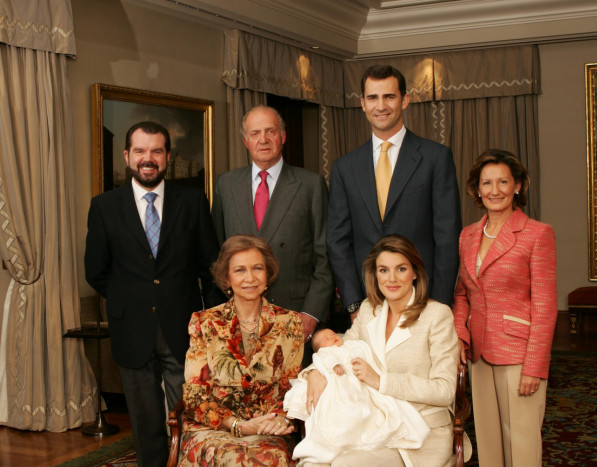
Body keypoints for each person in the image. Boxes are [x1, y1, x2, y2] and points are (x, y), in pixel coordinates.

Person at [84, 121, 221, 467]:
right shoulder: (104, 206)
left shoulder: (192, 201)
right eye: (141, 151)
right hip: (132, 331)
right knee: (145, 425)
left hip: (184, 329)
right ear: (128, 155)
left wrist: (212, 322)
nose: (149, 158)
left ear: (167, 156)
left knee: (189, 416)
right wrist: (129, 301)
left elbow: (210, 265)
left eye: (156, 151)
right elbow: (95, 271)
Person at [305, 234, 459, 467]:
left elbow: (445, 390)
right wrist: (316, 372)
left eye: (401, 269)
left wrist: (381, 381)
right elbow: (341, 349)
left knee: (344, 465)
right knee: (311, 463)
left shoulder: (437, 315)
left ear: (415, 273)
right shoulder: (369, 310)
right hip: (375, 424)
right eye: (384, 270)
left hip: (421, 432)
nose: (392, 279)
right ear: (375, 275)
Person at [327, 65, 461, 321]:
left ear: (405, 100)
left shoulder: (435, 158)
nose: (381, 106)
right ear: (363, 104)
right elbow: (337, 241)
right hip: (368, 305)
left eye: (389, 96)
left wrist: (439, 305)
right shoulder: (345, 167)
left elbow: (447, 237)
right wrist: (355, 305)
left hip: (423, 300)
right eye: (373, 98)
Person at [452, 149, 557, 467]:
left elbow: (545, 305)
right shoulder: (467, 236)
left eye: (502, 182)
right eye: (487, 183)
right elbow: (461, 295)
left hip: (519, 354)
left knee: (522, 445)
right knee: (489, 442)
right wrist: (459, 335)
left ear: (518, 187)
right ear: (477, 189)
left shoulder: (537, 233)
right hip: (479, 355)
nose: (494, 190)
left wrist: (534, 367)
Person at [212, 105, 333, 348]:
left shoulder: (311, 185)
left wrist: (311, 313)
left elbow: (326, 256)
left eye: (271, 131)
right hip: (240, 320)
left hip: (295, 317)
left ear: (283, 136)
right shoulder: (226, 185)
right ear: (245, 141)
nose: (263, 140)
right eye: (255, 133)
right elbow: (217, 254)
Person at [179, 234, 304, 466]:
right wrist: (238, 426)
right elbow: (195, 396)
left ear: (268, 274)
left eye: (257, 268)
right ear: (226, 277)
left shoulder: (290, 322)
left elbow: (292, 387)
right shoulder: (204, 322)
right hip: (214, 427)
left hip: (268, 428)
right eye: (239, 270)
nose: (250, 278)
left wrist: (279, 418)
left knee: (265, 457)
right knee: (227, 455)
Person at [284, 328, 430, 465]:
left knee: (367, 409)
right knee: (344, 411)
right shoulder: (326, 353)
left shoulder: (350, 345)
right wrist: (327, 368)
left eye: (333, 334)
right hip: (342, 386)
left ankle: (359, 436)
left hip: (365, 383)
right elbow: (323, 359)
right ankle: (342, 439)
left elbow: (361, 350)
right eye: (326, 339)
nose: (332, 337)